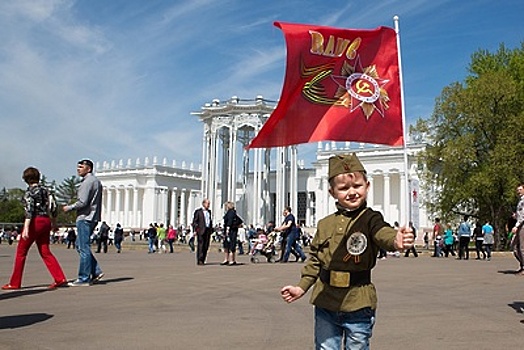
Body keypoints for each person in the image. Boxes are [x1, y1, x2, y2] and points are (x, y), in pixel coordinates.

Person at [280, 153, 414, 350]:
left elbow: (382, 232)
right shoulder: (325, 224)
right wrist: (301, 287)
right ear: (332, 192)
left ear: (367, 186)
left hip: (358, 302)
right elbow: (315, 260)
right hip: (326, 301)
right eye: (343, 188)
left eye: (357, 186)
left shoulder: (370, 219)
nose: (352, 192)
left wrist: (396, 240)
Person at [2, 167, 67, 290]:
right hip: (46, 221)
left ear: (26, 179)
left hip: (34, 222)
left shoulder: (29, 192)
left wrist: (26, 227)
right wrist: (54, 223)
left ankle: (15, 282)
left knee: (21, 252)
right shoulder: (46, 191)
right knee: (45, 251)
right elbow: (53, 207)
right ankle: (60, 277)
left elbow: (29, 209)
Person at [63, 159, 104, 287]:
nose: (78, 169)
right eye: (78, 167)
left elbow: (82, 202)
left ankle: (84, 277)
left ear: (89, 168)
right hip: (92, 217)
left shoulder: (87, 182)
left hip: (85, 217)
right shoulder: (96, 181)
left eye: (81, 167)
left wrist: (68, 208)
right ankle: (95, 271)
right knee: (80, 245)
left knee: (83, 247)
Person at [192, 198, 213, 265]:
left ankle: (203, 259)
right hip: (201, 230)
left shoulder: (209, 211)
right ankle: (200, 259)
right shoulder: (198, 212)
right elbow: (195, 221)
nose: (208, 205)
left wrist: (211, 229)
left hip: (207, 230)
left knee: (206, 245)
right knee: (201, 245)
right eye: (207, 203)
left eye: (209, 204)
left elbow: (210, 220)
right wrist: (195, 230)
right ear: (203, 204)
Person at [222, 201, 240, 266]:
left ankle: (231, 260)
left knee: (230, 244)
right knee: (227, 245)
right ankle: (227, 259)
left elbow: (229, 221)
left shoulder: (231, 213)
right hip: (231, 230)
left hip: (231, 231)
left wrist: (227, 229)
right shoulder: (231, 212)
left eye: (226, 206)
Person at [511, 183, 524, 274]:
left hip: (522, 225)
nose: (518, 191)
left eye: (520, 189)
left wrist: (516, 226)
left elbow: (523, 216)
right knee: (514, 246)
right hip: (518, 224)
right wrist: (515, 216)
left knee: (522, 247)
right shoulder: (520, 201)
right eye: (517, 190)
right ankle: (522, 264)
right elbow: (520, 215)